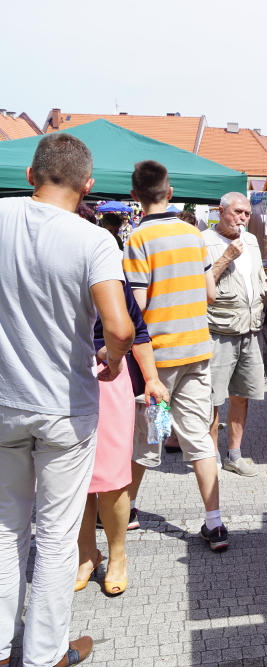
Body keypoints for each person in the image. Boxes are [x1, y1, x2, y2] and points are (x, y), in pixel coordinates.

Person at [0, 133, 134, 667]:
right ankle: (45, 653)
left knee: (6, 528)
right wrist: (114, 359)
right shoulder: (93, 239)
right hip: (64, 406)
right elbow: (119, 328)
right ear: (87, 186)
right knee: (56, 537)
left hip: (4, 400)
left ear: (31, 175)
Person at [122, 161, 229, 551]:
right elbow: (210, 294)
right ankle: (215, 523)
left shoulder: (137, 239)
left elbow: (136, 307)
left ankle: (126, 511)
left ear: (134, 196)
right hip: (197, 352)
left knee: (149, 438)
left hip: (158, 362)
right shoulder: (193, 235)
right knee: (199, 437)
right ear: (169, 193)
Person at [75, 269, 167, 596]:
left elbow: (135, 330)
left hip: (107, 373)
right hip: (58, 376)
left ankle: (117, 557)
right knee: (74, 479)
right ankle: (86, 554)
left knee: (112, 477)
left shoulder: (104, 267)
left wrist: (151, 378)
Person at [202, 192, 267, 477]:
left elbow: (257, 279)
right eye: (237, 212)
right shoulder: (204, 241)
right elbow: (199, 287)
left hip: (251, 330)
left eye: (247, 214)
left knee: (242, 394)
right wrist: (226, 256)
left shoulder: (250, 240)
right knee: (213, 398)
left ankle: (234, 455)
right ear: (221, 211)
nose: (243, 218)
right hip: (219, 331)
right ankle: (211, 458)